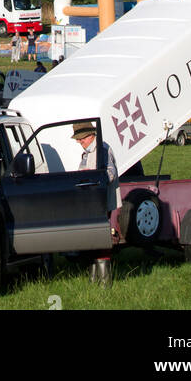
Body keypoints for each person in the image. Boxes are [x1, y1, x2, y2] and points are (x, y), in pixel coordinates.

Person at [72, 120, 118, 283]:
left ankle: (105, 282)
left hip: (101, 202)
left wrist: (94, 179)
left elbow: (110, 173)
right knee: (92, 239)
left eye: (81, 138)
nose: (79, 142)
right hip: (91, 202)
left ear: (91, 136)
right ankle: (94, 280)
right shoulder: (88, 152)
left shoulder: (102, 150)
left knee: (100, 239)